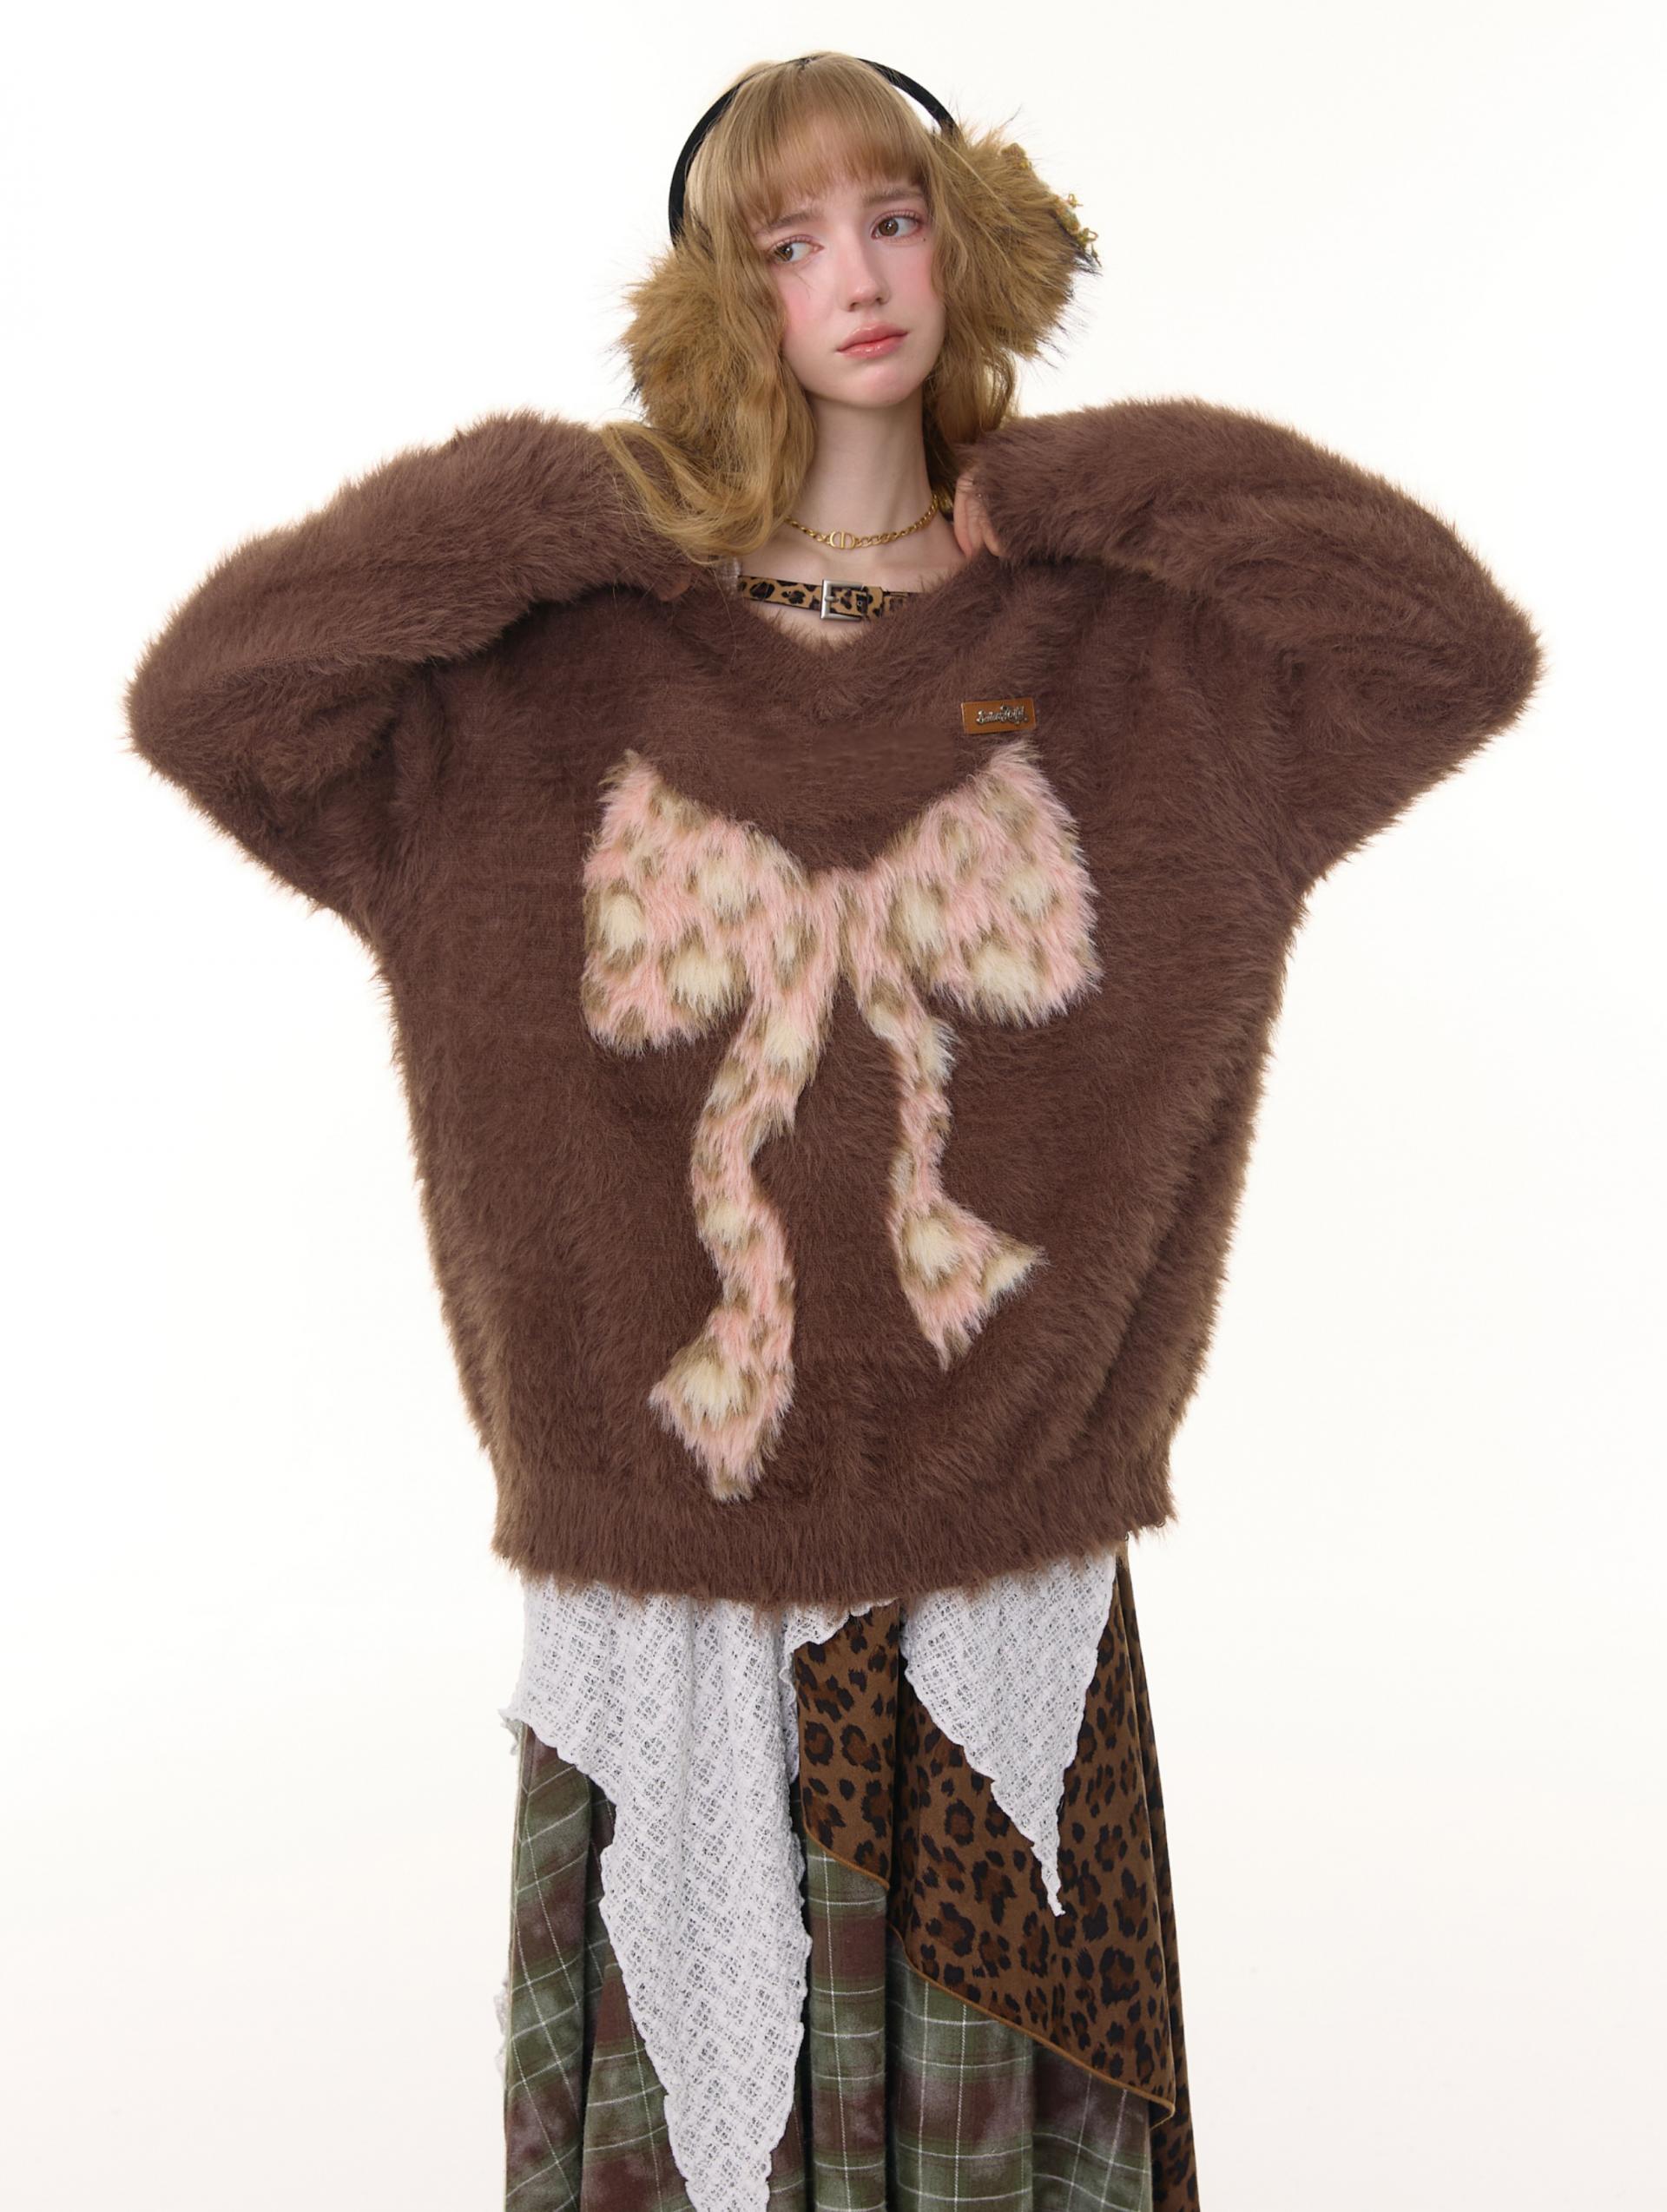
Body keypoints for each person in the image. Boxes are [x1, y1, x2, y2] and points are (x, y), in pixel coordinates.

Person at [122, 49, 1543, 2212]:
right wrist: (576, 500)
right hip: (658, 1613)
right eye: (788, 243)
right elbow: (219, 699)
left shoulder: (1135, 661)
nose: (857, 278)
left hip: (1006, 1597)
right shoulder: (542, 673)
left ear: (972, 240)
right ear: (725, 298)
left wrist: (1070, 482)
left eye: (897, 217)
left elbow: (1447, 649)